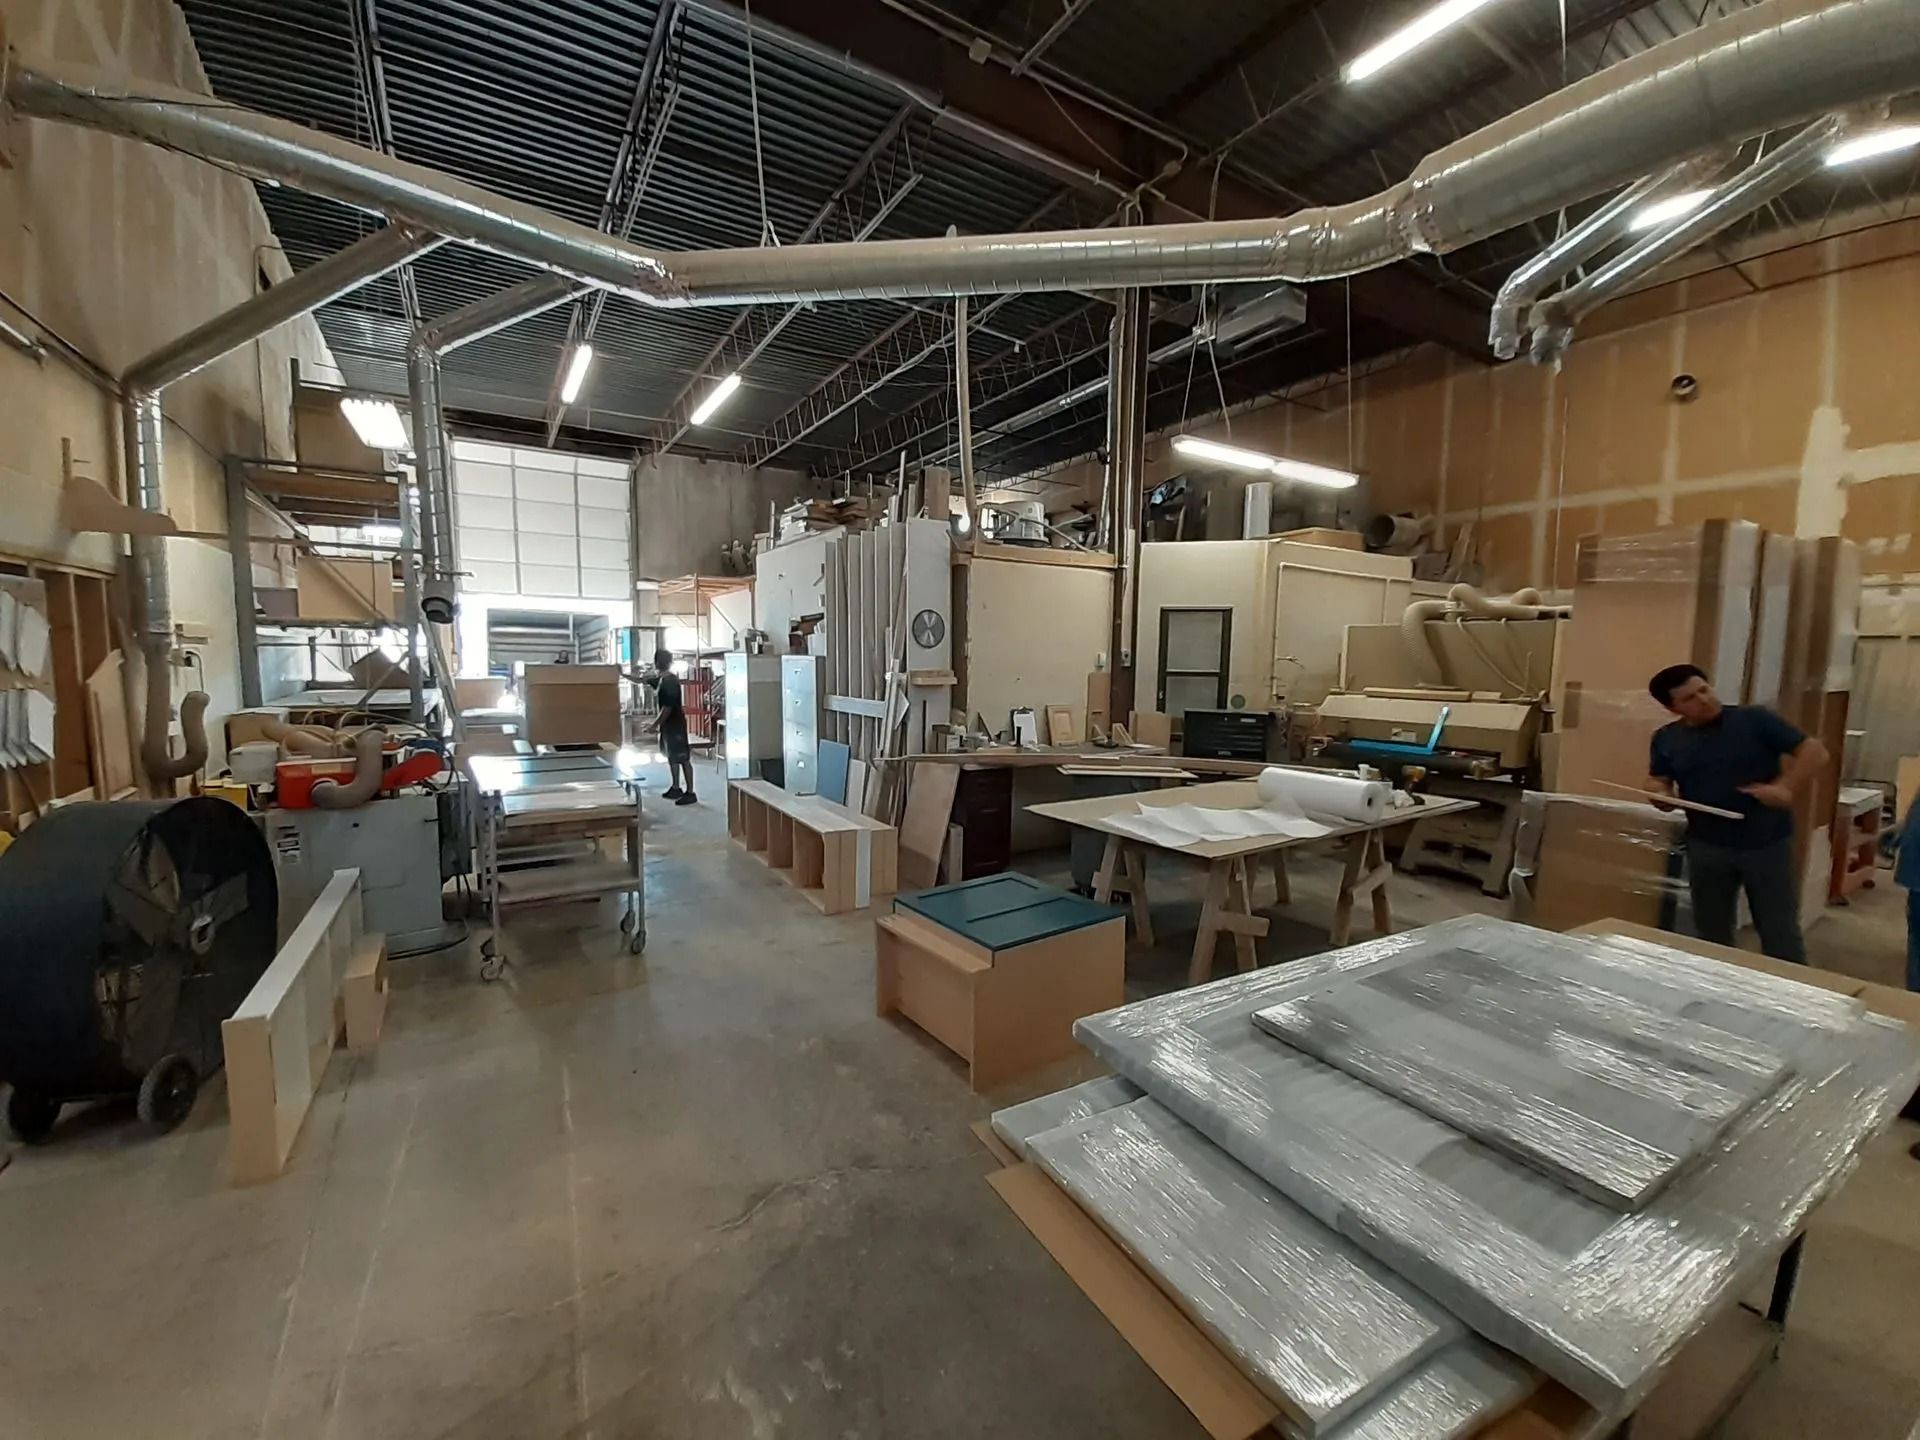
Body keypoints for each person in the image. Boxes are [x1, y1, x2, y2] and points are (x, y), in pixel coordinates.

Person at [1645, 663, 1827, 965]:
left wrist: (1786, 787)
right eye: (1689, 698)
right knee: (1712, 934)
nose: (1702, 700)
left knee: (1779, 933)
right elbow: (1658, 778)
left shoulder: (1753, 720)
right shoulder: (1666, 738)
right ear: (1672, 708)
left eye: (1703, 690)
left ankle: (1794, 1000)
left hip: (1765, 844)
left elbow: (1815, 751)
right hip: (1706, 846)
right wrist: (1658, 793)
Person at [652, 648, 696, 806]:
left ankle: (690, 792)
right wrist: (622, 674)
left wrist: (654, 724)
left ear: (659, 662)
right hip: (669, 725)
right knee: (672, 758)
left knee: (683, 758)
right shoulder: (661, 679)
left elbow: (667, 708)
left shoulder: (669, 681)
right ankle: (676, 787)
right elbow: (642, 680)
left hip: (675, 724)